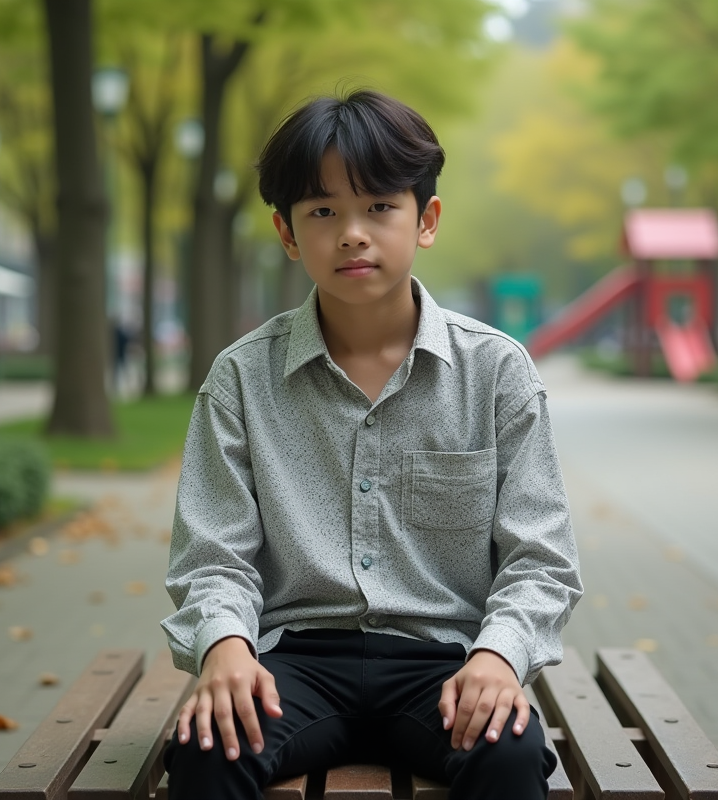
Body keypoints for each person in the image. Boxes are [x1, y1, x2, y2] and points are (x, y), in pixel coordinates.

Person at [161, 89, 583, 800]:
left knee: (508, 757)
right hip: (292, 660)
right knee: (207, 752)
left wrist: (501, 658)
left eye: (380, 206)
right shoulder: (241, 378)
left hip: (445, 662)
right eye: (323, 212)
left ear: (427, 220)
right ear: (288, 234)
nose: (352, 233)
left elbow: (540, 559)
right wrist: (224, 647)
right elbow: (212, 554)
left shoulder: (496, 372)